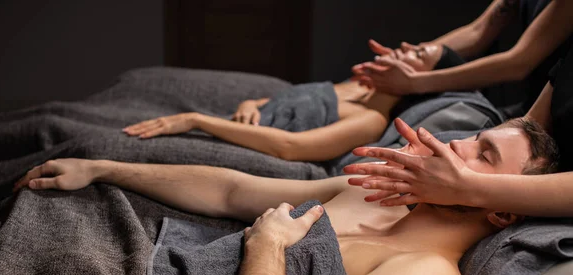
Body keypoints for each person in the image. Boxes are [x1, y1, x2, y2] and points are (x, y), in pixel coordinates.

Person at [13, 118, 557, 275]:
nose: (452, 144)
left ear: (502, 206)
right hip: (145, 259)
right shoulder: (373, 196)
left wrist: (266, 245)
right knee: (48, 158)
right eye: (470, 135)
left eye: (482, 155)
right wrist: (105, 168)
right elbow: (231, 190)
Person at [345, 42, 573, 218]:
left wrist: (465, 186)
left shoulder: (427, 271)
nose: (454, 143)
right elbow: (529, 123)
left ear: (503, 216)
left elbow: (519, 61)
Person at [120, 44, 449, 162]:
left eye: (417, 53)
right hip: (232, 126)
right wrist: (251, 102)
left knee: (117, 147)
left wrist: (197, 120)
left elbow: (290, 147)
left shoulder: (371, 120)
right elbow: (287, 101)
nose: (404, 47)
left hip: (247, 149)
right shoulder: (352, 87)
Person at [352, 0, 573, 117]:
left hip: (553, 114)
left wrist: (413, 82)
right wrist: (408, 57)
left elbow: (519, 63)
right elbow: (478, 32)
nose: (403, 48)